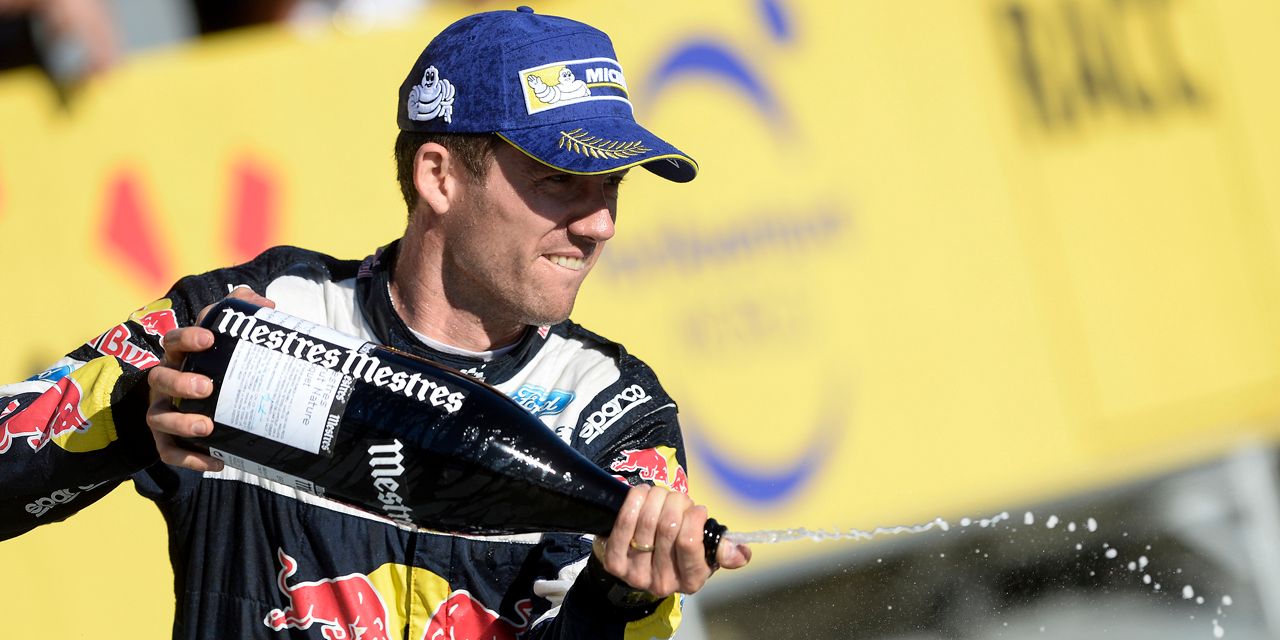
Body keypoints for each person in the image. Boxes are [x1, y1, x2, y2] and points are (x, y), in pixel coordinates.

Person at [0, 6, 750, 639]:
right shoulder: (244, 317)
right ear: (439, 176)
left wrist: (620, 598)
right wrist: (134, 416)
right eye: (560, 180)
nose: (600, 225)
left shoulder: (616, 411)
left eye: (612, 185)